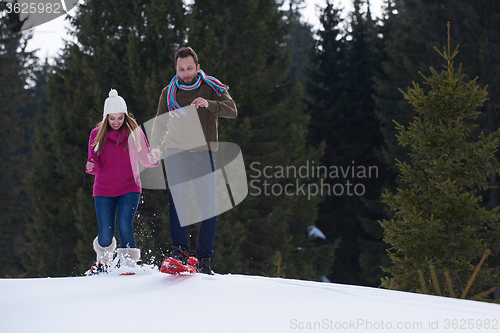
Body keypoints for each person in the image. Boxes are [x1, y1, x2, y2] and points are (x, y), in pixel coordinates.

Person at [149, 47, 237, 274]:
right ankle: (179, 251)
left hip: (203, 153)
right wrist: (155, 148)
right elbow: (160, 123)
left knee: (208, 209)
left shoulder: (212, 87)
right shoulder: (169, 93)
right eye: (181, 69)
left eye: (189, 68)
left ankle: (204, 260)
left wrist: (210, 105)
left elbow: (232, 110)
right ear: (176, 69)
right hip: (176, 153)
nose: (186, 73)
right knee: (177, 200)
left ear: (197, 67)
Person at [86, 89, 158, 274]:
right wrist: (91, 166)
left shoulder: (135, 133)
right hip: (103, 189)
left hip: (129, 187)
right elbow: (94, 163)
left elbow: (146, 159)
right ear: (106, 118)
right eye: (112, 119)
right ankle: (103, 261)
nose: (116, 122)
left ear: (125, 116)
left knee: (125, 225)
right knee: (106, 233)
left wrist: (154, 157)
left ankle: (128, 266)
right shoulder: (96, 134)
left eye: (120, 118)